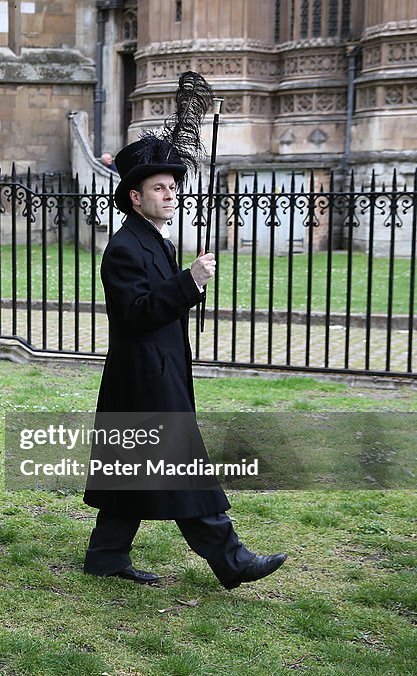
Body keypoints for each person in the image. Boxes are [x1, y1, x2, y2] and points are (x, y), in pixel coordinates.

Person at [81, 136, 287, 588]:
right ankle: (232, 560)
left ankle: (105, 556)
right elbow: (136, 313)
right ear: (135, 197)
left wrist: (185, 283)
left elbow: (160, 303)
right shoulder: (123, 248)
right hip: (144, 378)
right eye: (160, 188)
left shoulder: (156, 242)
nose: (171, 194)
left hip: (159, 370)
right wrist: (190, 282)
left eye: (173, 187)